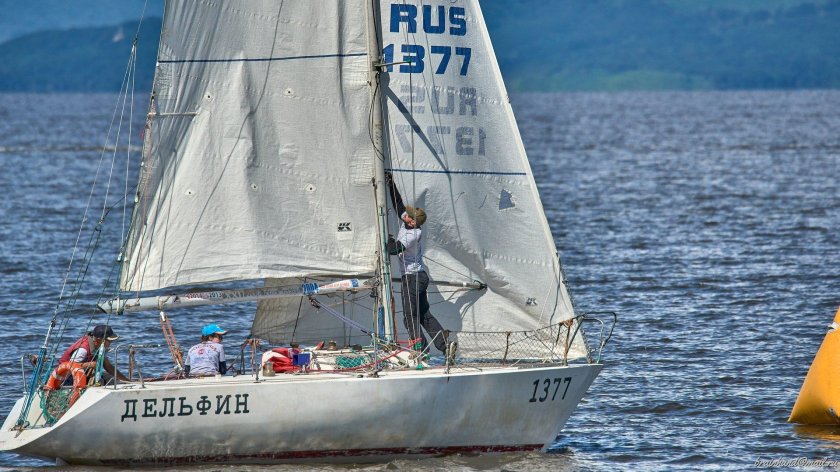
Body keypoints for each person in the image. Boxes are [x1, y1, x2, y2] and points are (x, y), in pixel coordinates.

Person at [384, 172, 448, 353]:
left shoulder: (413, 234)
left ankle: (421, 351)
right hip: (419, 277)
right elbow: (398, 206)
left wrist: (387, 239)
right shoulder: (410, 222)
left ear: (413, 222)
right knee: (423, 315)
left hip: (412, 279)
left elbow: (393, 250)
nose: (405, 216)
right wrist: (390, 184)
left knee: (409, 317)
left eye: (408, 216)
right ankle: (445, 345)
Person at [59, 324, 130, 383]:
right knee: (100, 382)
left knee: (113, 381)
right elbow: (70, 366)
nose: (110, 343)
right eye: (109, 341)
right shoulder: (83, 349)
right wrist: (90, 364)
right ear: (100, 340)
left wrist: (126, 381)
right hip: (67, 378)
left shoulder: (99, 346)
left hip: (83, 373)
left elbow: (108, 366)